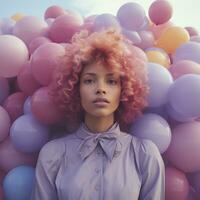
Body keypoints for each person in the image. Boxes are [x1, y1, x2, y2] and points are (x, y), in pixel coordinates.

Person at [31, 28, 165, 200]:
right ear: (75, 89)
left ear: (124, 89)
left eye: (111, 81)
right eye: (89, 80)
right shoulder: (52, 154)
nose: (100, 89)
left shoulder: (144, 154)